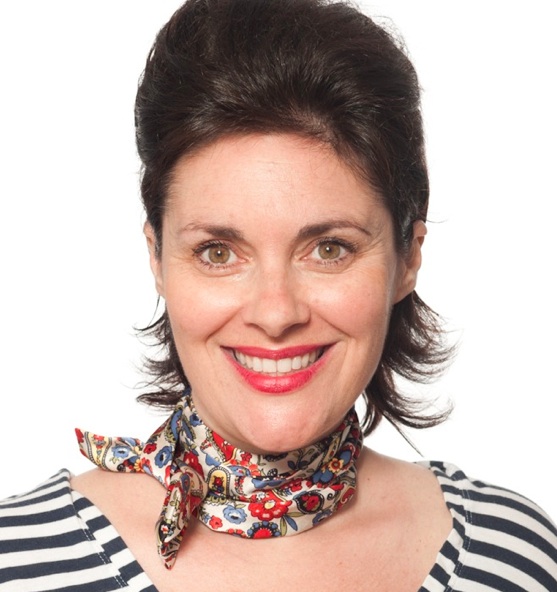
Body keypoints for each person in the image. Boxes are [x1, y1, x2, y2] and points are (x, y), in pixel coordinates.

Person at [1, 0, 556, 590]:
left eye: (329, 249)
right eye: (218, 252)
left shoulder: (511, 556)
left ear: (408, 257)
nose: (275, 313)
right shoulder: (17, 562)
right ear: (157, 259)